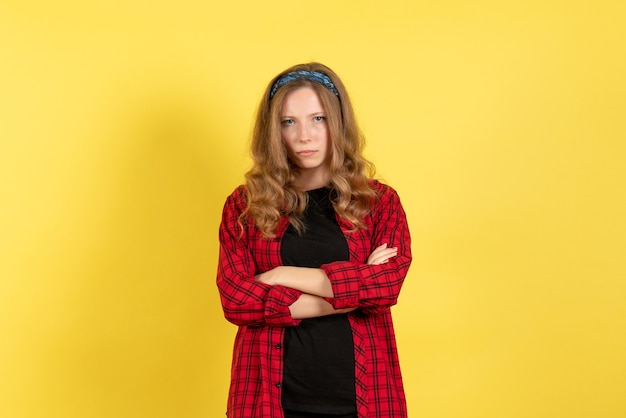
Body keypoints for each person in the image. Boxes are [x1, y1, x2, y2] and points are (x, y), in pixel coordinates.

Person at [216, 62, 412, 418]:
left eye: (317, 119)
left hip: (363, 403)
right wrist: (352, 292)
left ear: (338, 122)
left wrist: (279, 275)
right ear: (274, 131)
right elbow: (236, 300)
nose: (304, 135)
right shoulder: (244, 206)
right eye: (289, 122)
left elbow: (386, 286)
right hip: (269, 401)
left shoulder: (378, 202)